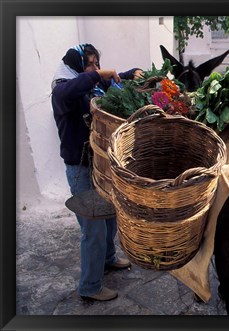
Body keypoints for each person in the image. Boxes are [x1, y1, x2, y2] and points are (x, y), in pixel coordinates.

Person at [51, 43, 143, 301]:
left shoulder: (89, 85)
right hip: (80, 169)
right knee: (93, 230)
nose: (95, 69)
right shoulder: (61, 90)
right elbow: (73, 90)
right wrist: (97, 75)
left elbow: (103, 85)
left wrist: (128, 74)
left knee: (109, 216)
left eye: (97, 64)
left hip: (98, 166)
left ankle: (108, 259)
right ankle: (90, 287)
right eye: (90, 64)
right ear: (77, 66)